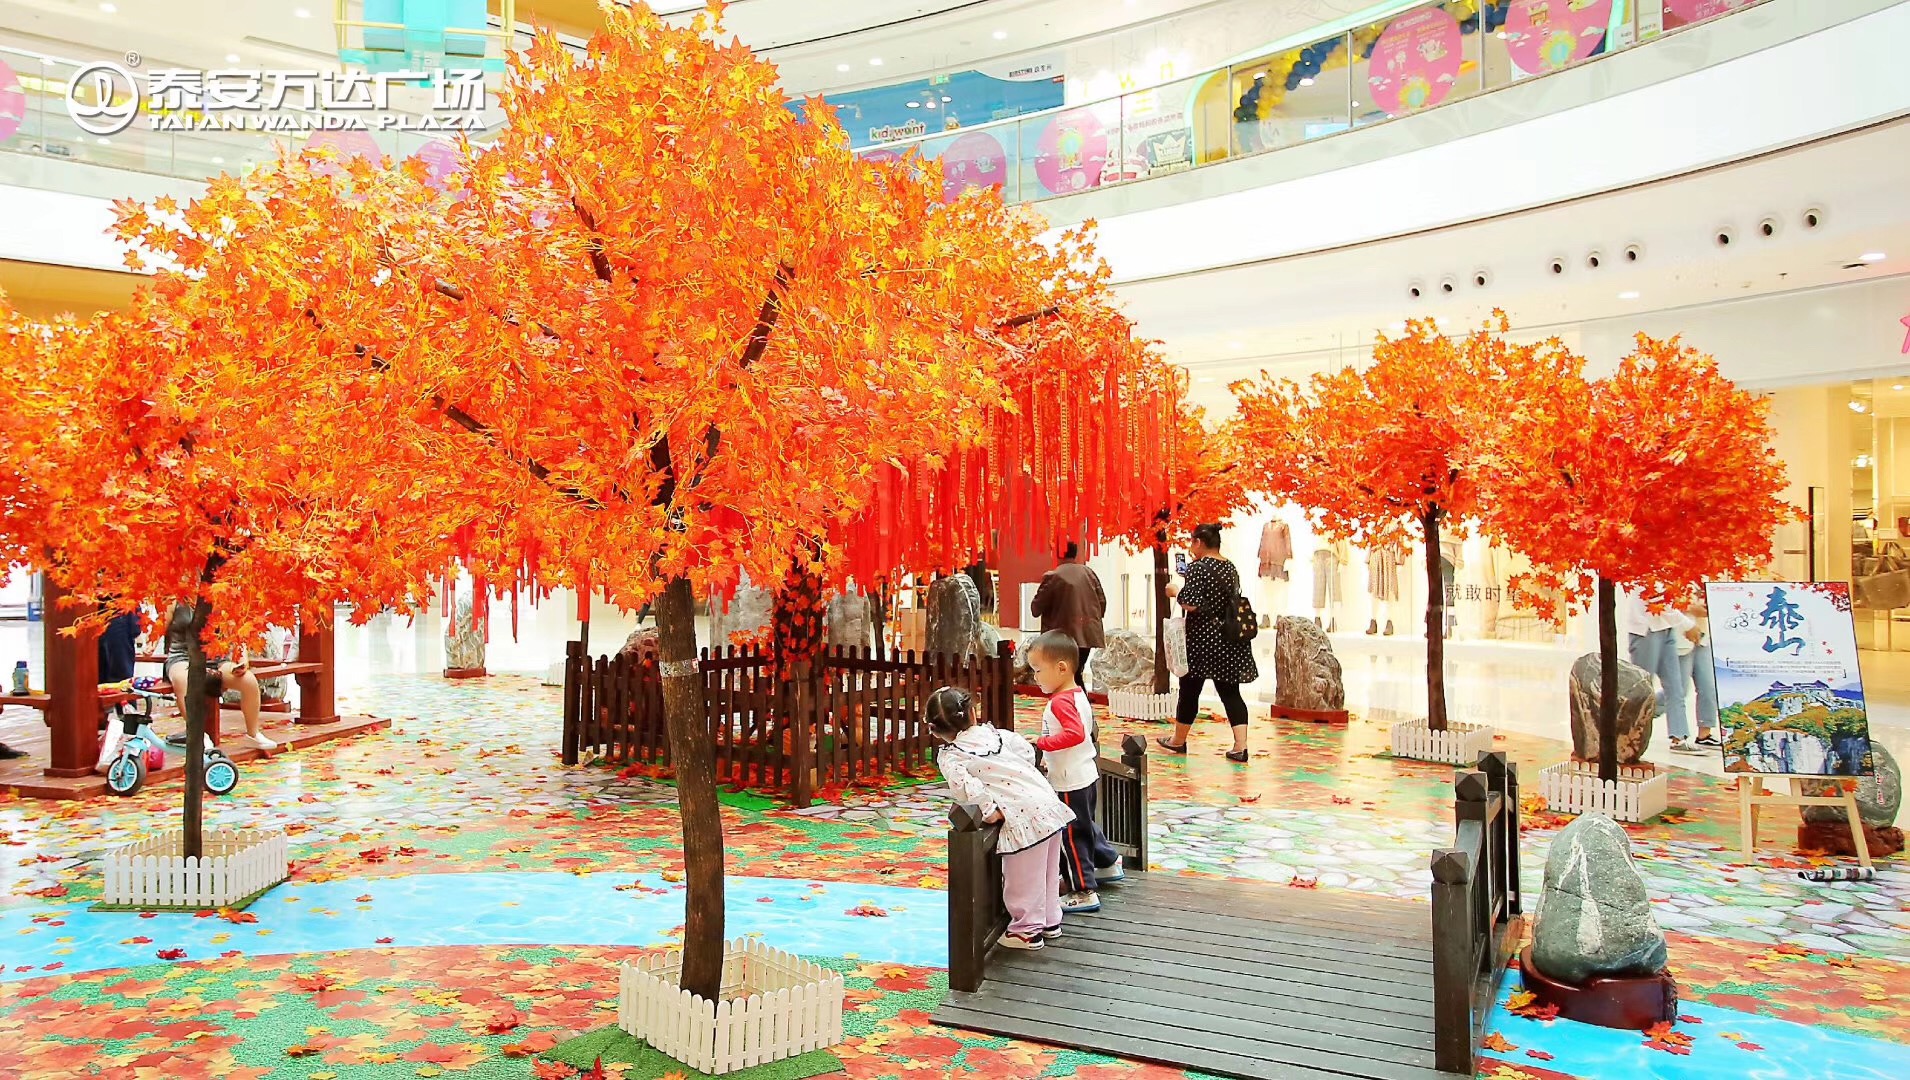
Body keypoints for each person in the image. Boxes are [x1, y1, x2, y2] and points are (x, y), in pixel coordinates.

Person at [928, 685, 1076, 951]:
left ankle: (1026, 930)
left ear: (934, 729)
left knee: (1023, 876)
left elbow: (967, 788)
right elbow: (1026, 752)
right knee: (1047, 869)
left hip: (1022, 814)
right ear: (973, 713)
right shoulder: (995, 734)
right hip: (1046, 802)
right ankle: (1050, 920)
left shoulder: (952, 756)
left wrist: (989, 811)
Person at [1026, 630, 1123, 915]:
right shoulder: (1077, 694)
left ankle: (1082, 890)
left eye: (1038, 670)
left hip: (1069, 780)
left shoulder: (1060, 701)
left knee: (1071, 835)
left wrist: (1042, 744)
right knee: (1084, 825)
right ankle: (1106, 862)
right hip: (1083, 774)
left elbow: (1075, 734)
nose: (1035, 677)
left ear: (1061, 668)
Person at [1158, 523, 1257, 762]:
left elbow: (1190, 603)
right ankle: (1240, 746)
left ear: (1199, 542)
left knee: (1189, 692)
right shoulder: (1230, 567)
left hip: (1202, 641)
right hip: (1229, 639)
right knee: (1231, 693)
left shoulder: (1198, 568)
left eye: (1192, 542)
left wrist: (1175, 591)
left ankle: (1178, 740)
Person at [157, 602, 276, 751]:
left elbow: (238, 634)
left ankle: (253, 734)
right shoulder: (175, 601)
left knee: (248, 680)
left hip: (215, 658)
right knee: (183, 680)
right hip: (182, 657)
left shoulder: (220, 600)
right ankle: (198, 735)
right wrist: (149, 645)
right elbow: (159, 627)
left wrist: (243, 660)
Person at [1621, 588, 1694, 755]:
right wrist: (1687, 625)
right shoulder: (1647, 575)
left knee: (1675, 686)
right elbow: (1657, 600)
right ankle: (1627, 735)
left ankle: (1679, 737)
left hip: (1666, 628)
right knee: (1642, 688)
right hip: (1645, 630)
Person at [1030, 542, 1107, 681]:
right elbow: (1102, 602)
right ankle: (1079, 695)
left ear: (1057, 554)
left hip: (1061, 638)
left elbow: (1036, 609)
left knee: (1067, 678)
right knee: (1076, 674)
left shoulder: (1053, 576)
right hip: (1087, 634)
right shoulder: (1089, 573)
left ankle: (1075, 695)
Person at [1677, 599, 1721, 751]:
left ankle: (1704, 734)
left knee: (1708, 687)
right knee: (1679, 691)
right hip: (1681, 637)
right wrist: (1690, 607)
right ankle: (1645, 708)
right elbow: (1666, 603)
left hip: (1703, 638)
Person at [97, 608, 143, 685]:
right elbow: (135, 630)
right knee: (121, 684)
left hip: (97, 666)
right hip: (120, 660)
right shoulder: (127, 608)